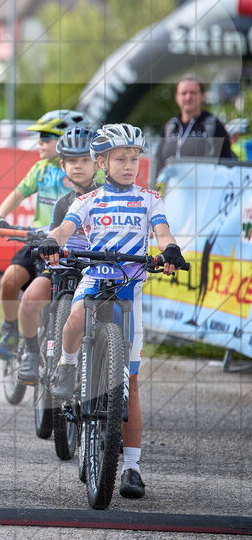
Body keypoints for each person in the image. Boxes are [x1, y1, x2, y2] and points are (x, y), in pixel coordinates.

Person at [39, 123, 186, 500]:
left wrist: (169, 249)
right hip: (94, 280)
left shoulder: (149, 197)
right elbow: (65, 228)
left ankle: (133, 467)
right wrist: (50, 241)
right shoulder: (88, 201)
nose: (128, 165)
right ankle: (68, 366)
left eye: (134, 159)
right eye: (120, 159)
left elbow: (163, 231)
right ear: (101, 162)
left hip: (129, 291)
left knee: (131, 385)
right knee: (73, 317)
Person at [0, 109, 87, 361]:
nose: (39, 143)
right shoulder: (40, 168)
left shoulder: (84, 172)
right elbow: (18, 194)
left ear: (64, 139)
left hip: (73, 245)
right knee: (9, 280)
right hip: (37, 239)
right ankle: (11, 329)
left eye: (45, 137)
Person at [13, 126, 100, 384]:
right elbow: (54, 235)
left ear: (98, 164)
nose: (78, 166)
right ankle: (30, 352)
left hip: (93, 272)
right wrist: (46, 247)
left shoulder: (105, 198)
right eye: (72, 161)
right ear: (63, 165)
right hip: (61, 270)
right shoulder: (63, 203)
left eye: (85, 160)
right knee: (29, 298)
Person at [155, 75, 236, 175]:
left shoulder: (213, 125)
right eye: (183, 93)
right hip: (171, 189)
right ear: (177, 97)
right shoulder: (170, 127)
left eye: (193, 93)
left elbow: (226, 164)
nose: (188, 97)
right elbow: (158, 165)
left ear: (202, 95)